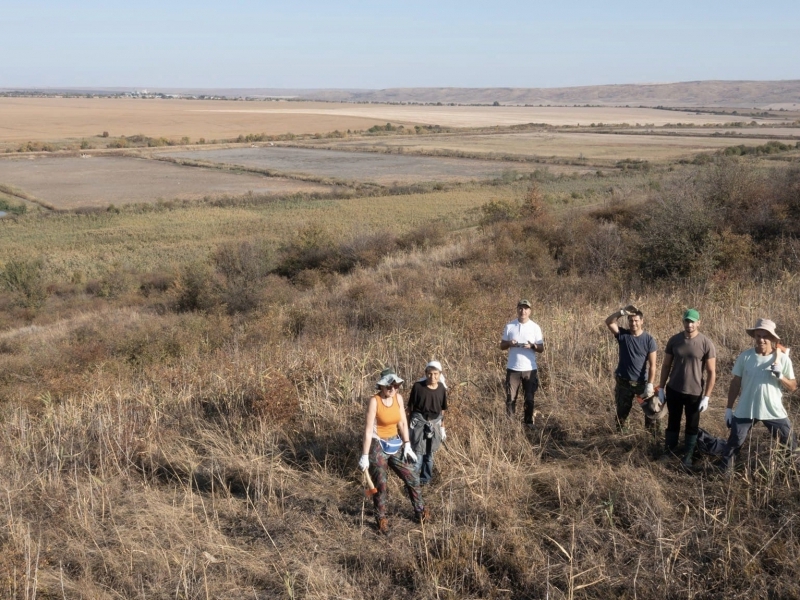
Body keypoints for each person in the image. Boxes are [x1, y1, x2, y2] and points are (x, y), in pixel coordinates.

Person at [721, 319, 797, 472]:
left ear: (773, 339)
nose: (761, 340)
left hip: (772, 409)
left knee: (790, 443)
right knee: (734, 443)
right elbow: (735, 383)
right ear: (754, 337)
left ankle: (794, 474)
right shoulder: (746, 357)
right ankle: (724, 476)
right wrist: (729, 408)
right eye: (758, 336)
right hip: (746, 408)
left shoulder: (782, 359)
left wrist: (780, 376)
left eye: (765, 336)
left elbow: (793, 387)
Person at [358, 368, 428, 533]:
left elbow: (403, 423)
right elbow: (368, 431)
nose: (392, 389)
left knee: (412, 477)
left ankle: (421, 512)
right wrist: (365, 455)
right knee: (381, 485)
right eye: (389, 386)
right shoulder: (374, 401)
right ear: (381, 386)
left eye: (396, 385)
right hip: (377, 444)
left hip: (395, 444)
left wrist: (407, 444)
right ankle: (381, 520)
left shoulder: (398, 398)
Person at [657, 308, 717, 468]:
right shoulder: (674, 340)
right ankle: (669, 451)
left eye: (692, 321)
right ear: (683, 321)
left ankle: (688, 456)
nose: (689, 324)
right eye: (686, 321)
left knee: (692, 425)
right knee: (673, 421)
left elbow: (712, 372)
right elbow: (665, 365)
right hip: (674, 389)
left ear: (698, 323)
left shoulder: (706, 343)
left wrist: (707, 397)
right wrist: (661, 388)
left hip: (695, 392)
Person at [604, 304, 658, 433]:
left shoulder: (649, 340)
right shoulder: (623, 335)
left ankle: (651, 440)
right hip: (623, 382)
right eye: (631, 320)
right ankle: (622, 439)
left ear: (642, 321)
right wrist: (622, 312)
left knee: (652, 412)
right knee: (621, 414)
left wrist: (650, 384)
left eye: (636, 320)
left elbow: (653, 365)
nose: (633, 323)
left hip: (641, 383)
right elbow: (609, 322)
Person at [500, 299, 544, 427]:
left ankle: (528, 424)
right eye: (520, 308)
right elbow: (502, 346)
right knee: (510, 399)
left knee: (529, 399)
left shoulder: (535, 327)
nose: (523, 311)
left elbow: (541, 348)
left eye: (526, 308)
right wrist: (509, 343)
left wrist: (532, 346)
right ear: (517, 309)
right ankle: (510, 425)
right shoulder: (510, 326)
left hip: (529, 369)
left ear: (530, 311)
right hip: (513, 368)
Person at [408, 361, 448, 485]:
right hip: (419, 423)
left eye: (436, 374)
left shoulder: (441, 388)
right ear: (426, 374)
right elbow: (410, 407)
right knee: (418, 454)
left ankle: (425, 480)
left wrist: (442, 427)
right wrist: (407, 425)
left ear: (440, 374)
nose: (433, 377)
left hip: (435, 423)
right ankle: (412, 483)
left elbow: (442, 409)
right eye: (430, 374)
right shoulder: (418, 387)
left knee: (429, 455)